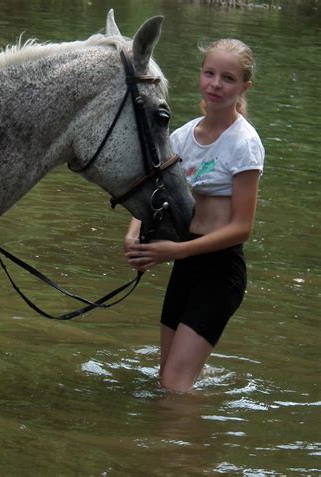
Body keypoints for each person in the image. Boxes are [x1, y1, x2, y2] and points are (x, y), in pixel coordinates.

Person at [124, 39, 264, 392]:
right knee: (165, 381)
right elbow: (155, 192)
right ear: (200, 76)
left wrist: (175, 251)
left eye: (228, 78)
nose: (216, 84)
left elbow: (241, 228)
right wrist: (134, 232)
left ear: (244, 87)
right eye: (210, 73)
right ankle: (174, 443)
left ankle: (186, 447)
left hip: (221, 272)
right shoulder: (183, 136)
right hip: (186, 266)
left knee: (175, 383)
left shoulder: (244, 143)